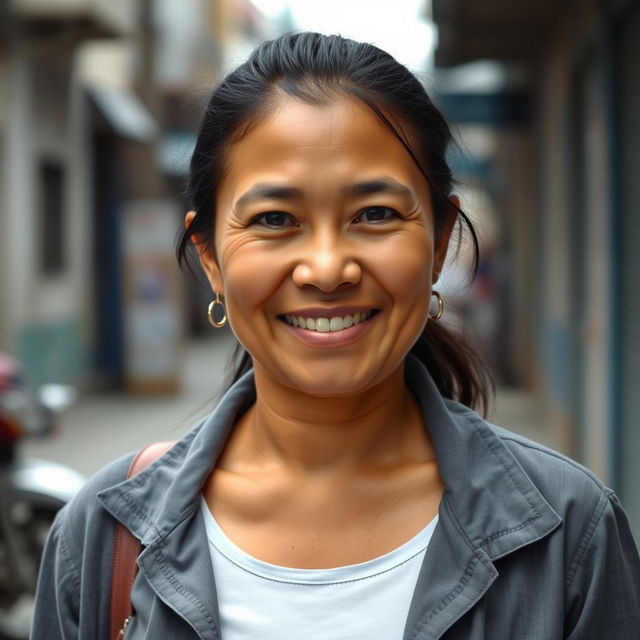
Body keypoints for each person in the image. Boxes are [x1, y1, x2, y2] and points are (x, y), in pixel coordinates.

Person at [32, 32, 640, 639]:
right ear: (211, 257)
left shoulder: (570, 533)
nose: (326, 269)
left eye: (375, 214)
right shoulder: (101, 537)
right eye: (274, 220)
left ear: (438, 243)